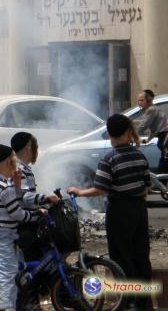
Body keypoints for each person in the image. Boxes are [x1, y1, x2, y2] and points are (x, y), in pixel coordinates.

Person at [68, 114, 153, 310]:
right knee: (141, 255)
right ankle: (144, 302)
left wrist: (79, 191)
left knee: (122, 258)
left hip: (120, 211)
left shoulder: (110, 158)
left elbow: (100, 188)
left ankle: (128, 301)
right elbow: (147, 188)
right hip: (139, 210)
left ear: (109, 133)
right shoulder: (139, 155)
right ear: (128, 132)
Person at [0, 144, 41, 311]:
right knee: (8, 276)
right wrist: (35, 216)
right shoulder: (4, 187)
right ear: (9, 163)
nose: (17, 166)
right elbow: (16, 212)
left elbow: (13, 200)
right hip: (1, 235)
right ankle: (8, 307)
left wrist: (16, 183)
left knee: (17, 270)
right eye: (14, 162)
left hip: (3, 234)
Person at [136, 89, 168, 172]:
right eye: (138, 100)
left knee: (164, 165)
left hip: (165, 139)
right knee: (164, 164)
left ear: (149, 100)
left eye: (142, 100)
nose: (139, 103)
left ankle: (162, 183)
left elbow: (144, 125)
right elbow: (156, 128)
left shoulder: (151, 110)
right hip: (163, 138)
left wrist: (133, 134)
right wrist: (148, 139)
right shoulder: (155, 109)